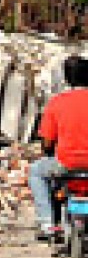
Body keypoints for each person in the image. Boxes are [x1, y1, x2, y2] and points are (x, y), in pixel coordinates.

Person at [30, 55, 88, 240]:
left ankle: (47, 223)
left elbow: (47, 142)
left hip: (66, 164)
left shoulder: (57, 102)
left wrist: (48, 151)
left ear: (66, 78)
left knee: (36, 171)